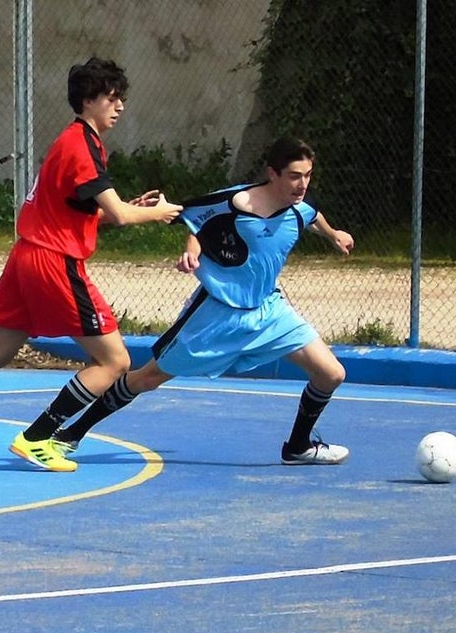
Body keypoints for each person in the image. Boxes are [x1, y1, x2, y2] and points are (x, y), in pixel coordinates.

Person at [0, 57, 181, 472]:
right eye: (112, 98)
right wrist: (161, 212)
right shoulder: (82, 148)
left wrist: (128, 209)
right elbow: (118, 216)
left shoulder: (76, 143)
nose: (120, 106)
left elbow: (81, 212)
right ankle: (37, 437)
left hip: (27, 256)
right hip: (53, 263)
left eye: (121, 99)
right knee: (114, 362)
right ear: (88, 100)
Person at [51, 136, 355, 465]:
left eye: (308, 175)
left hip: (269, 310)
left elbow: (313, 216)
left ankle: (298, 447)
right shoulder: (237, 203)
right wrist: (191, 253)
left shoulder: (302, 206)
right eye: (295, 176)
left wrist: (333, 233)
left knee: (331, 374)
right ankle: (70, 434)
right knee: (146, 378)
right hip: (217, 315)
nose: (302, 184)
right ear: (273, 174)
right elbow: (196, 222)